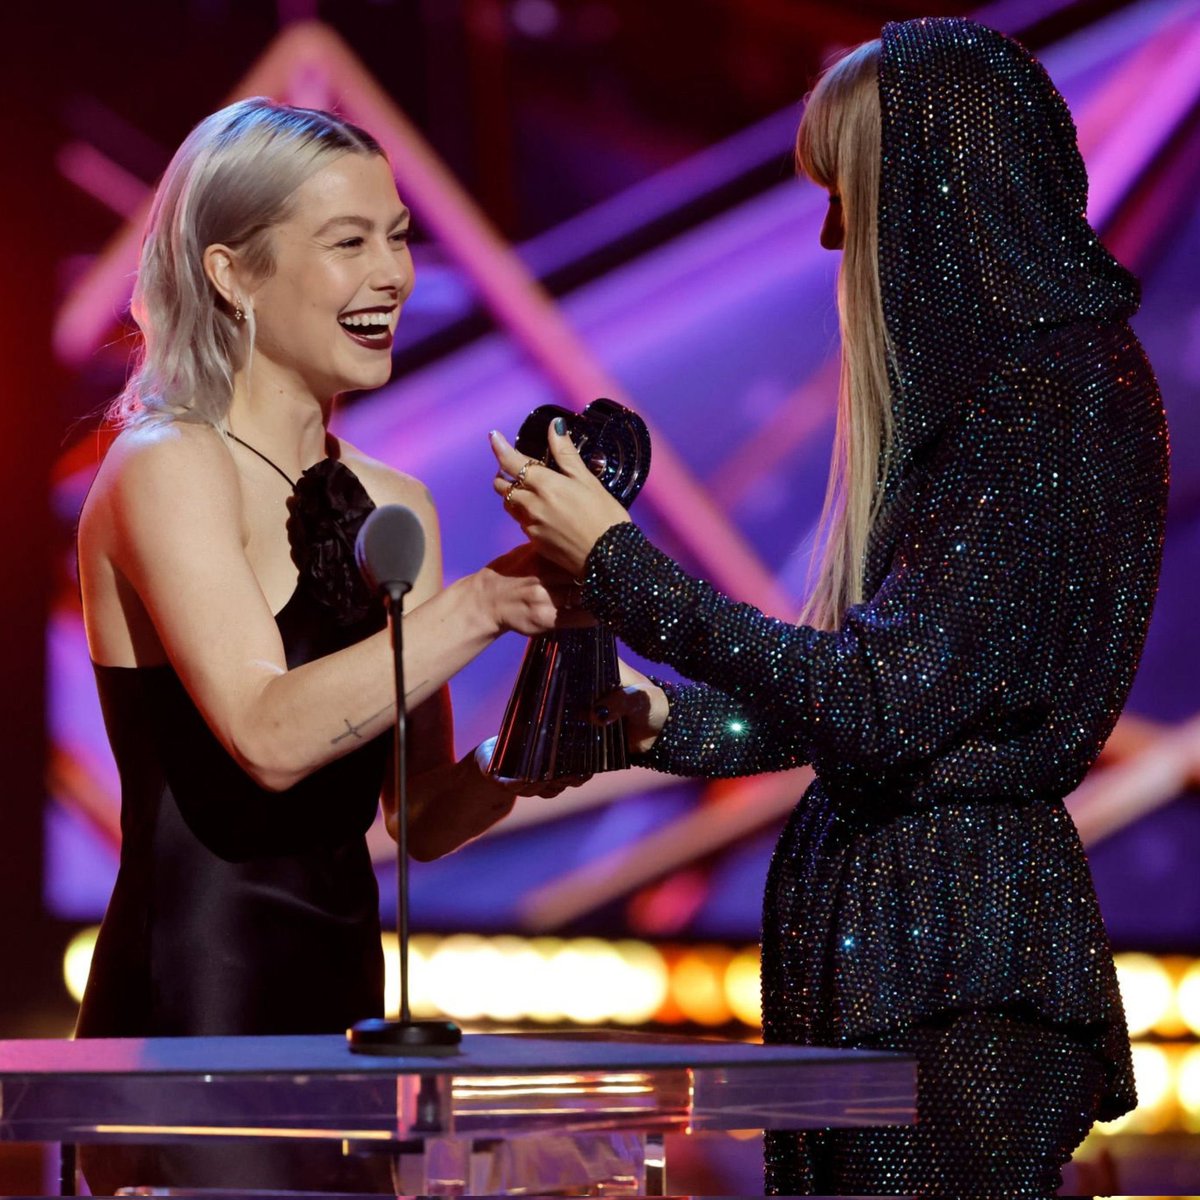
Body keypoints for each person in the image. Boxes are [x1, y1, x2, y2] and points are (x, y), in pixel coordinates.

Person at [491, 17, 1168, 1196]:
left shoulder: (1042, 400)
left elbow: (887, 704)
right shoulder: (1016, 395)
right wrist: (663, 723)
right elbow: (879, 714)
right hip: (916, 947)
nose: (828, 233)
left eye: (847, 193)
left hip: (958, 954)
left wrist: (621, 567)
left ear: (931, 195)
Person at [74, 98, 576, 1191]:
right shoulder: (167, 465)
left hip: (349, 1020)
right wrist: (487, 604)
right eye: (348, 242)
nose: (391, 273)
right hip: (192, 1013)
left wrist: (543, 740)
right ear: (232, 273)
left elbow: (422, 814)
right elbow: (266, 735)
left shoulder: (395, 505)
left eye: (398, 235)